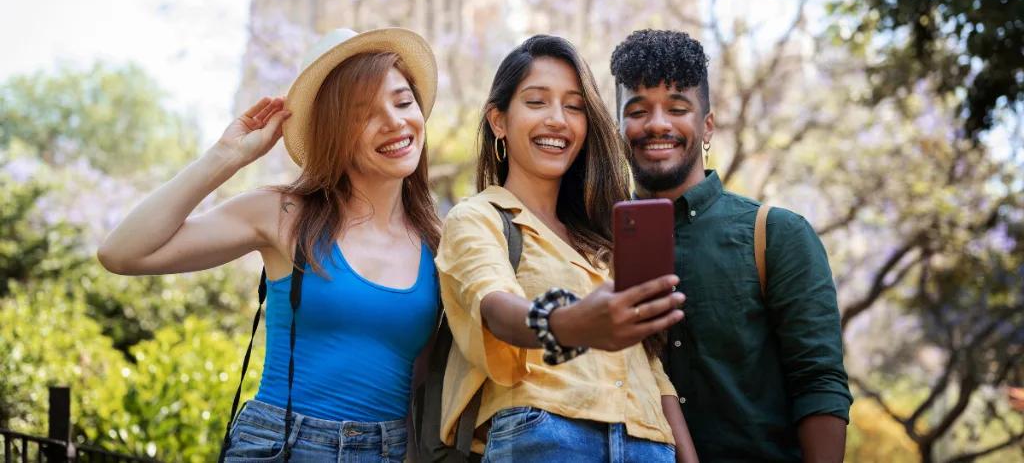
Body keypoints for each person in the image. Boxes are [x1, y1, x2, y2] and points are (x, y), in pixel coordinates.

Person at [98, 27, 441, 462]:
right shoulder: (285, 214)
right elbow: (122, 252)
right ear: (334, 132)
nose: (394, 121)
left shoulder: (437, 243)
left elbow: (420, 386)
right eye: (363, 113)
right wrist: (227, 156)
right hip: (283, 446)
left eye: (402, 100)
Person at [435, 34, 699, 463]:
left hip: (649, 444)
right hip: (546, 435)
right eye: (537, 102)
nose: (558, 120)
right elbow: (497, 309)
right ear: (498, 120)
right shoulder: (478, 218)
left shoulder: (604, 238)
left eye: (574, 106)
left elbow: (649, 365)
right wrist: (570, 323)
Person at [610, 28, 853, 462]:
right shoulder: (593, 243)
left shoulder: (776, 234)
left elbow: (818, 382)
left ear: (707, 126)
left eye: (677, 108)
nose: (658, 124)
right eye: (638, 110)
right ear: (619, 128)